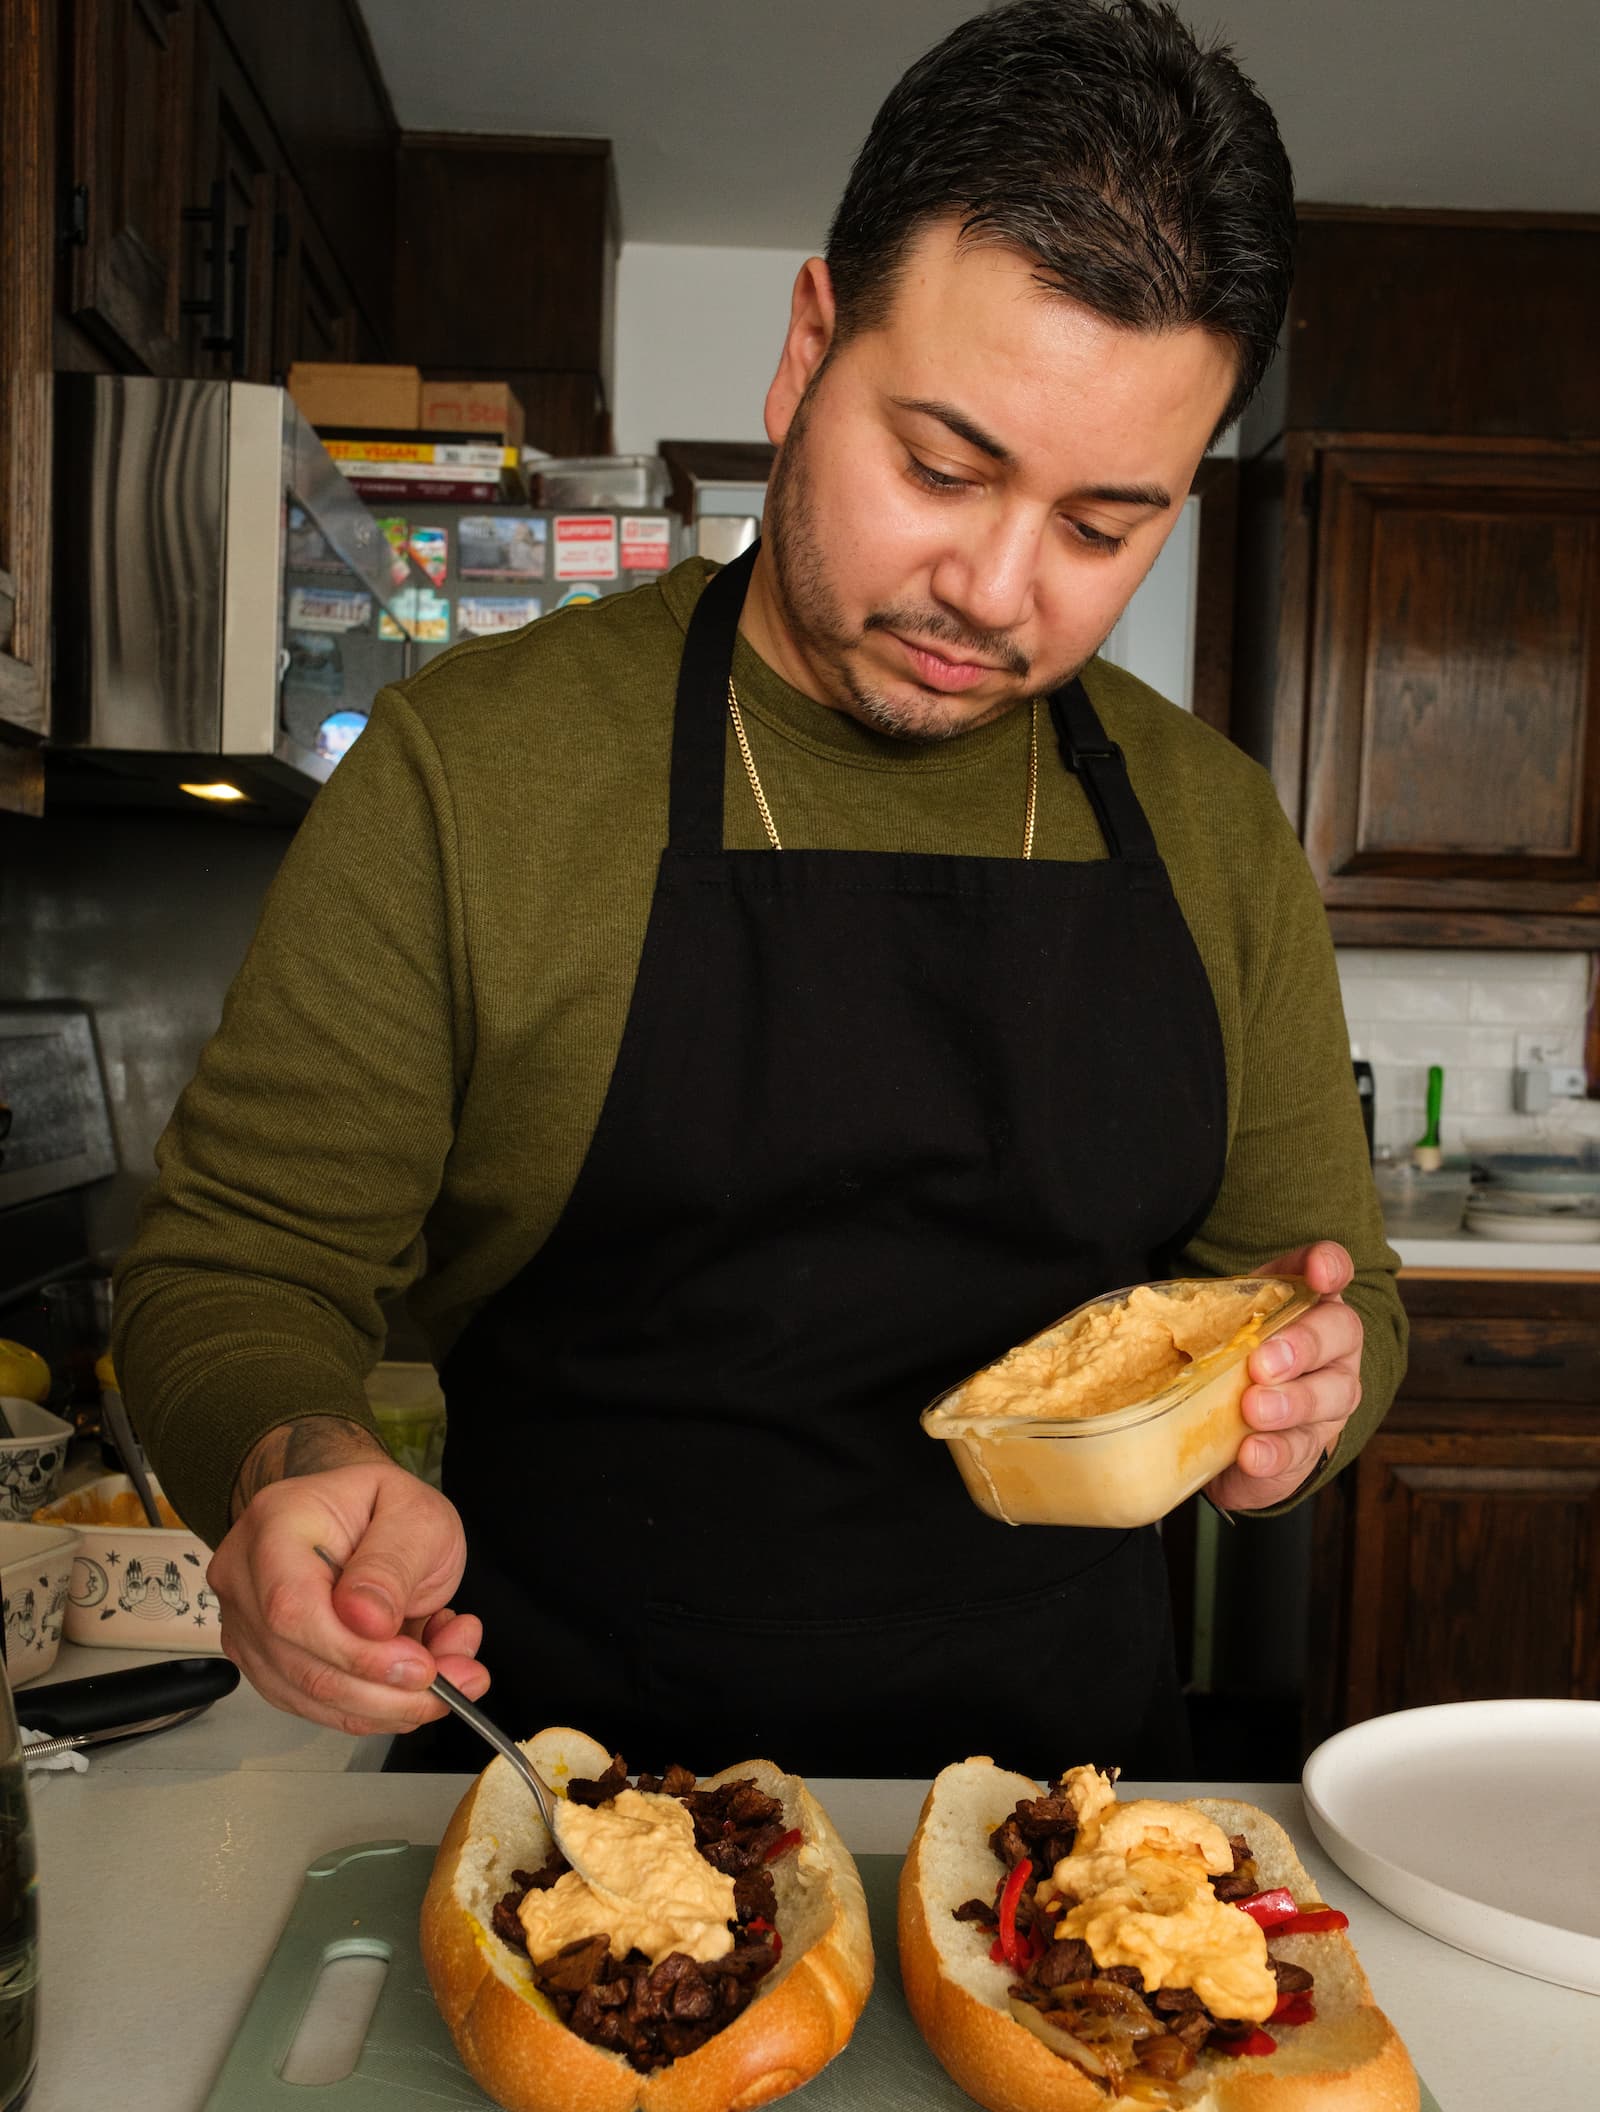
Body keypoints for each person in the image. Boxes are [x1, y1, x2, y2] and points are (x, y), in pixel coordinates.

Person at [114, 0, 1404, 1780]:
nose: (999, 590)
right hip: (560, 1815)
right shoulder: (470, 773)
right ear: (807, 351)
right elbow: (237, 1266)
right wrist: (289, 1465)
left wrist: (1310, 1407)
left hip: (1068, 1842)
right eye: (942, 467)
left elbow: (1339, 1293)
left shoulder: (1212, 827)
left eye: (1106, 527)